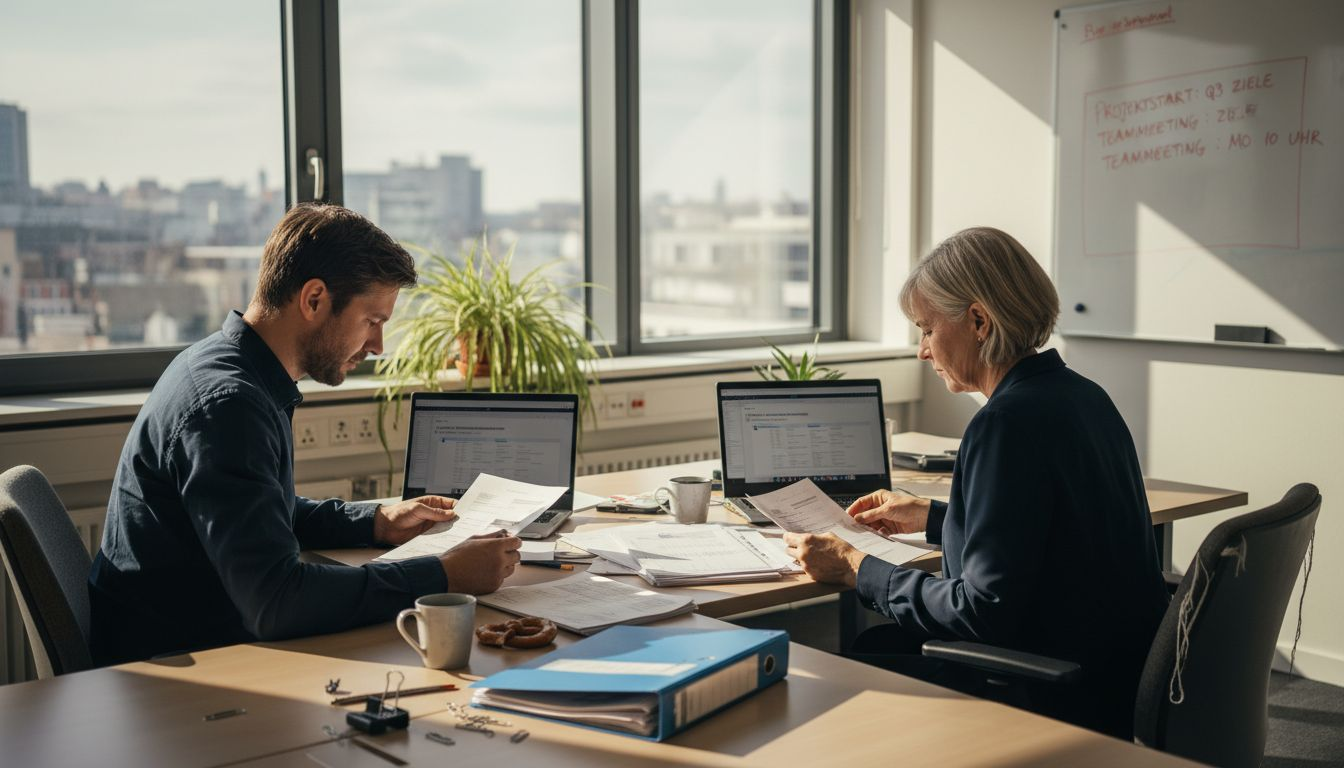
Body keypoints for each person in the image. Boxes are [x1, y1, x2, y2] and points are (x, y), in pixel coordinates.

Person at [89, 204, 521, 666]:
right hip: (171, 674)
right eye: (372, 321)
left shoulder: (227, 366)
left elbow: (256, 510)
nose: (377, 347)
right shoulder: (228, 405)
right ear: (314, 300)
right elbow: (277, 603)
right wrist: (442, 575)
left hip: (184, 642)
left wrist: (375, 521)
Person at [784, 227, 1168, 738]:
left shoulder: (1004, 425)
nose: (922, 351)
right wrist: (938, 517)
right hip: (1109, 672)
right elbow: (1055, 535)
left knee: (826, 674)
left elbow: (980, 613)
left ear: (979, 321)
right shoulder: (1083, 395)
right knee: (876, 648)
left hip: (1048, 693)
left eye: (925, 329)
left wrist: (858, 568)